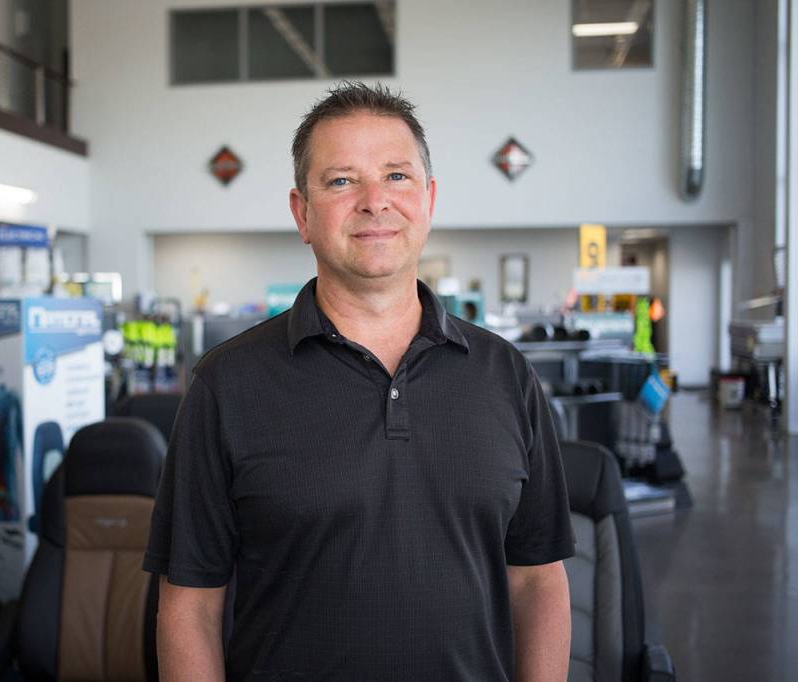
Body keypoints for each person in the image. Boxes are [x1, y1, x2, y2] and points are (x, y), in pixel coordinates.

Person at [144, 82, 574, 681]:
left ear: (429, 198)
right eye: (342, 180)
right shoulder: (227, 384)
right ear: (302, 213)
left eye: (397, 176)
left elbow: (537, 579)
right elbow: (190, 603)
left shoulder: (506, 375)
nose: (375, 201)